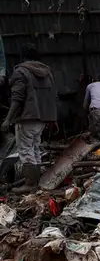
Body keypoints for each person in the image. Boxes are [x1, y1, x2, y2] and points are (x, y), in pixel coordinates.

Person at [1, 45, 56, 192]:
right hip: (41, 119)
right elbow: (52, 97)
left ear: (23, 58)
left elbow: (17, 98)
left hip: (26, 118)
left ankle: (30, 184)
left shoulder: (21, 72)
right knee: (35, 148)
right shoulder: (47, 73)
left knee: (25, 150)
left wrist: (8, 119)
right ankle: (35, 181)